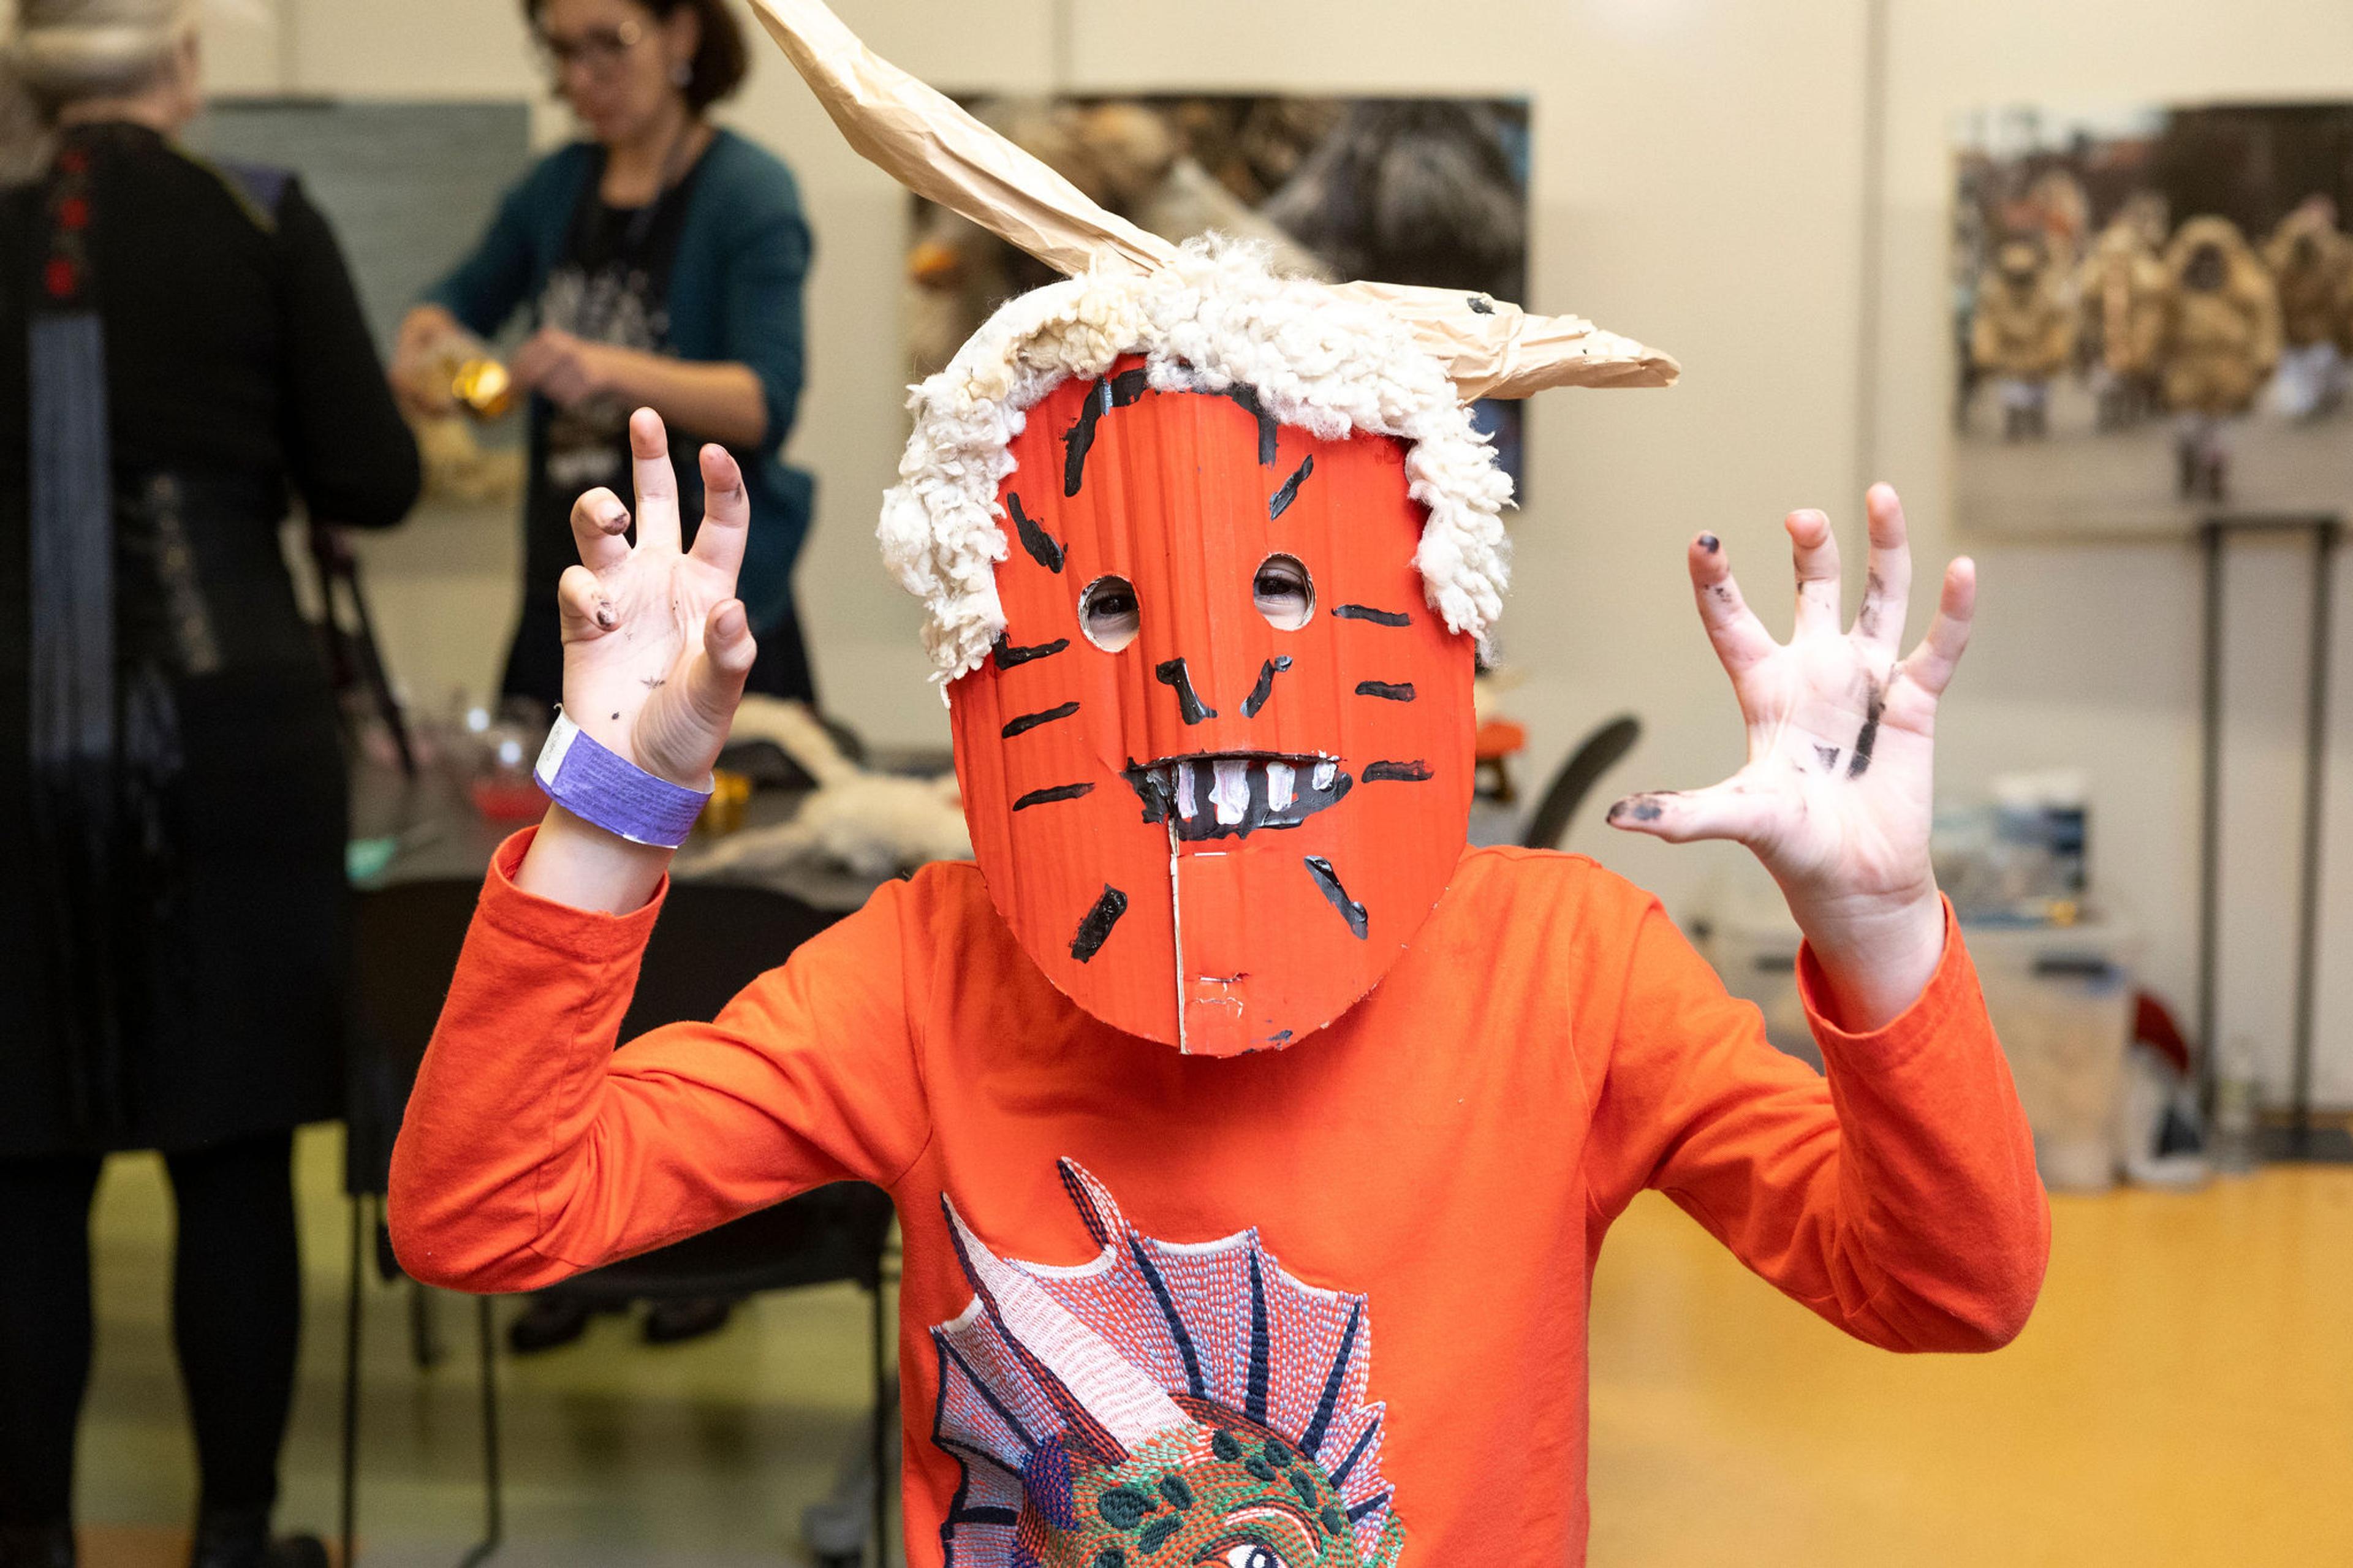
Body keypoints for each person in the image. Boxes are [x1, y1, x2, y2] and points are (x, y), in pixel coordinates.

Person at [388, 7, 2048, 1564]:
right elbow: (486, 1212)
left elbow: (1951, 1282)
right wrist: (612, 809)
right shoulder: (921, 975)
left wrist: (1880, 925)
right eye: (1107, 606)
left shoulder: (1567, 969)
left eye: (1286, 591)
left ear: (1429, 604)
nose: (1203, 675)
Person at [0, 1, 422, 1564]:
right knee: (233, 1151)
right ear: (181, 65)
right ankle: (235, 1532)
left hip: (13, 746)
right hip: (231, 734)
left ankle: (31, 1531)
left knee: (24, 1158)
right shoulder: (262, 215)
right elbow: (370, 475)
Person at [392, 0, 817, 718]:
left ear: (680, 31)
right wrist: (429, 336)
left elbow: (762, 401)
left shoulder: (747, 191)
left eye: (608, 45)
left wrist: (605, 367)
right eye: (561, 52)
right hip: (570, 587)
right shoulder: (556, 186)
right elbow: (459, 299)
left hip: (699, 600)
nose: (582, 78)